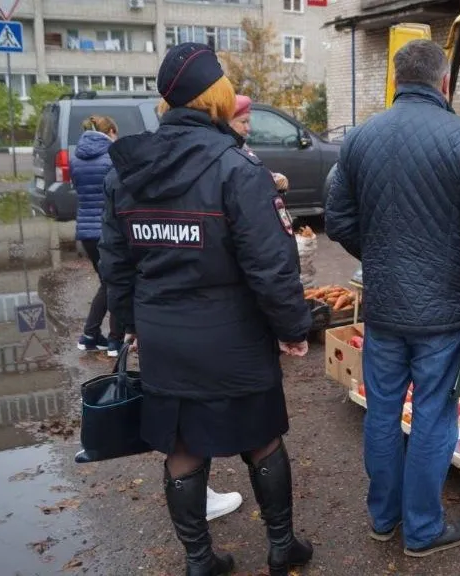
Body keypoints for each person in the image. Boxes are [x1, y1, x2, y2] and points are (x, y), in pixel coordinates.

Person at [99, 43, 314, 576]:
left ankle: (199, 561)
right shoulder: (236, 169)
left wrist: (126, 326)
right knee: (262, 438)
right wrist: (294, 328)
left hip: (165, 336)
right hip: (233, 337)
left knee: (183, 446)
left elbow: (115, 265)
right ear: (214, 96)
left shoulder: (125, 172)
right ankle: (281, 546)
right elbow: (271, 265)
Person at [325, 39, 460, 557]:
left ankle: (384, 521)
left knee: (384, 415)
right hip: (442, 312)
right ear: (445, 83)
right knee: (433, 415)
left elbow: (338, 219)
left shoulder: (360, 139)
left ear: (395, 80)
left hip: (385, 307)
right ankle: (423, 530)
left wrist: (382, 252)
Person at [70, 115, 125, 358]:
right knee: (116, 282)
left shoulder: (76, 159)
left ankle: (90, 335)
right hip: (108, 229)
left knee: (107, 282)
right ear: (111, 131)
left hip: (86, 232)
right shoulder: (112, 158)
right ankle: (114, 341)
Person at [229, 94, 290, 194]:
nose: (248, 128)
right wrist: (270, 181)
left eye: (248, 122)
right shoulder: (226, 151)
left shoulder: (241, 146)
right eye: (243, 122)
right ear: (227, 122)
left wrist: (274, 178)